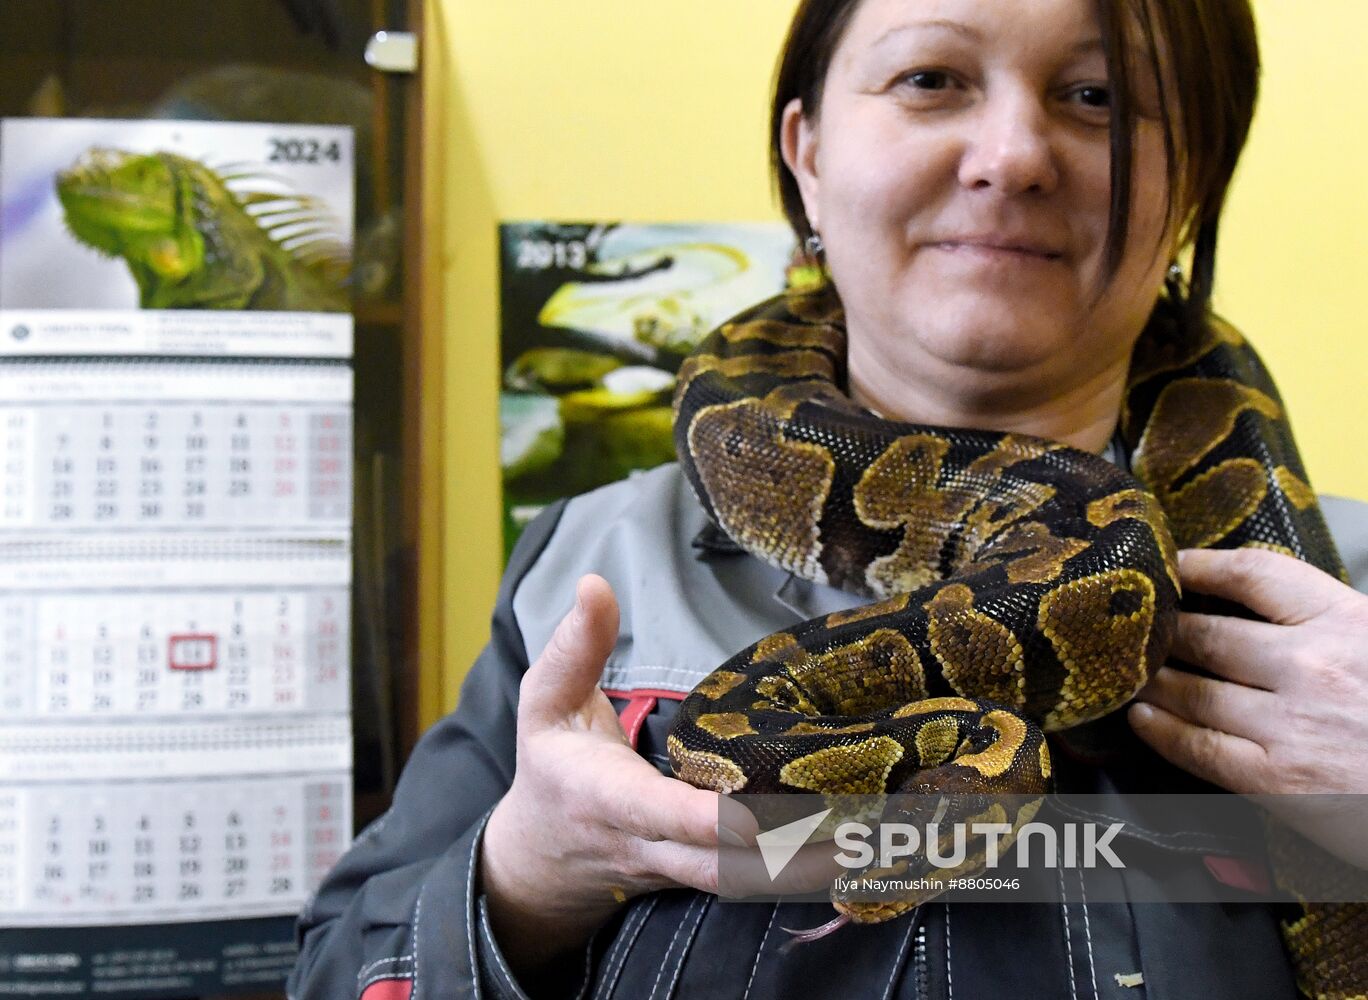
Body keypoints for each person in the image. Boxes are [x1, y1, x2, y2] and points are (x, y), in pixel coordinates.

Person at [288, 0, 1368, 997]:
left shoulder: (1347, 615)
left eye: (1097, 98)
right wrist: (524, 876)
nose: (1010, 158)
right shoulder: (598, 562)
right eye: (932, 78)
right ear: (807, 153)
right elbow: (338, 968)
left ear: (1199, 179)